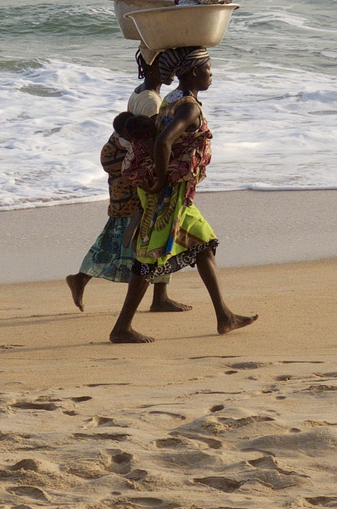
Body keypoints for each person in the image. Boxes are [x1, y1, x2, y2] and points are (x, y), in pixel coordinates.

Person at [109, 46, 256, 344]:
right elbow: (163, 141)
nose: (211, 74)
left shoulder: (171, 99)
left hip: (175, 193)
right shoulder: (188, 107)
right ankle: (121, 328)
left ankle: (224, 316)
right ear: (192, 72)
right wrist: (162, 181)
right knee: (149, 258)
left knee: (203, 245)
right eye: (207, 68)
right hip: (169, 194)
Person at [65, 112, 192, 313]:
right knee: (134, 246)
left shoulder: (128, 140)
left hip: (133, 202)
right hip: (130, 204)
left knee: (120, 246)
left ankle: (82, 278)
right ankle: (158, 297)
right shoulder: (121, 146)